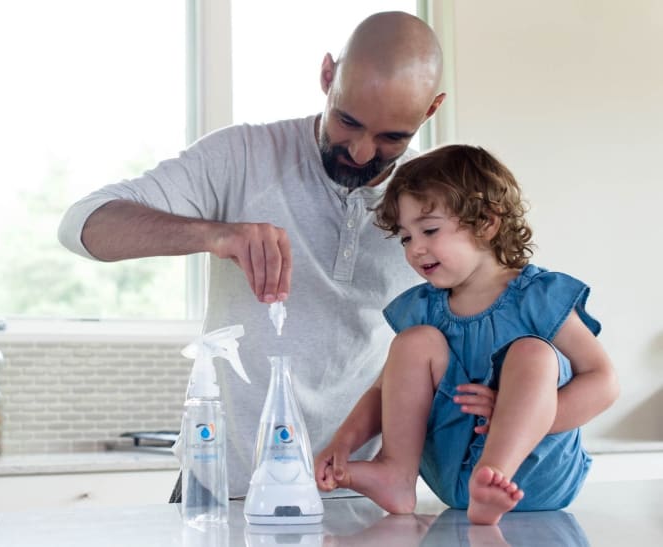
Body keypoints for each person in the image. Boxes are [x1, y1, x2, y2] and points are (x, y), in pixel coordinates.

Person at [58, 11, 445, 499]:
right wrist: (215, 235)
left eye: (393, 137)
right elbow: (83, 225)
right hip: (221, 491)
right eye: (348, 121)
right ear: (327, 76)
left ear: (431, 111)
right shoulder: (242, 157)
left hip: (358, 499)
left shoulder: (434, 205)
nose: (363, 152)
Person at [313, 144, 619, 525]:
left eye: (429, 230)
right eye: (406, 237)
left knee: (532, 353)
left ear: (486, 223)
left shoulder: (537, 296)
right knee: (412, 343)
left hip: (535, 474)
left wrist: (521, 416)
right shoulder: (423, 309)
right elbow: (382, 392)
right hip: (453, 478)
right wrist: (342, 443)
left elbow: (603, 381)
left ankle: (494, 475)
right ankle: (396, 473)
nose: (415, 248)